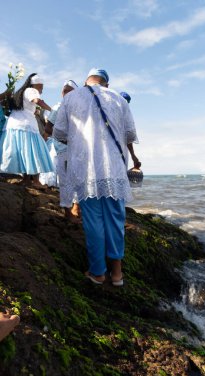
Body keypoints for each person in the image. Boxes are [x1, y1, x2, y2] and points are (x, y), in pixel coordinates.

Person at [53, 68, 139, 286]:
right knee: (115, 220)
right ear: (106, 84)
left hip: (86, 169)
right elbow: (129, 134)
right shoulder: (119, 99)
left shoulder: (71, 97)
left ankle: (98, 272)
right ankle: (117, 274)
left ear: (86, 82)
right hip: (114, 170)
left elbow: (60, 133)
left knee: (93, 222)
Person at [0, 73, 53, 188]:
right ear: (37, 84)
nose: (42, 91)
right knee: (35, 152)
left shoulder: (21, 92)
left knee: (23, 152)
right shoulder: (31, 90)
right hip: (26, 126)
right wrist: (51, 110)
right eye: (41, 88)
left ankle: (26, 180)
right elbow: (37, 101)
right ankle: (36, 181)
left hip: (14, 125)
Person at [41, 80, 80, 221]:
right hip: (63, 148)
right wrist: (64, 139)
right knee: (66, 181)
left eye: (69, 91)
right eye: (64, 91)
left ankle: (77, 207)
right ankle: (68, 212)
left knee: (79, 179)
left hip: (78, 149)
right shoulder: (58, 107)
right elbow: (47, 128)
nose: (66, 93)